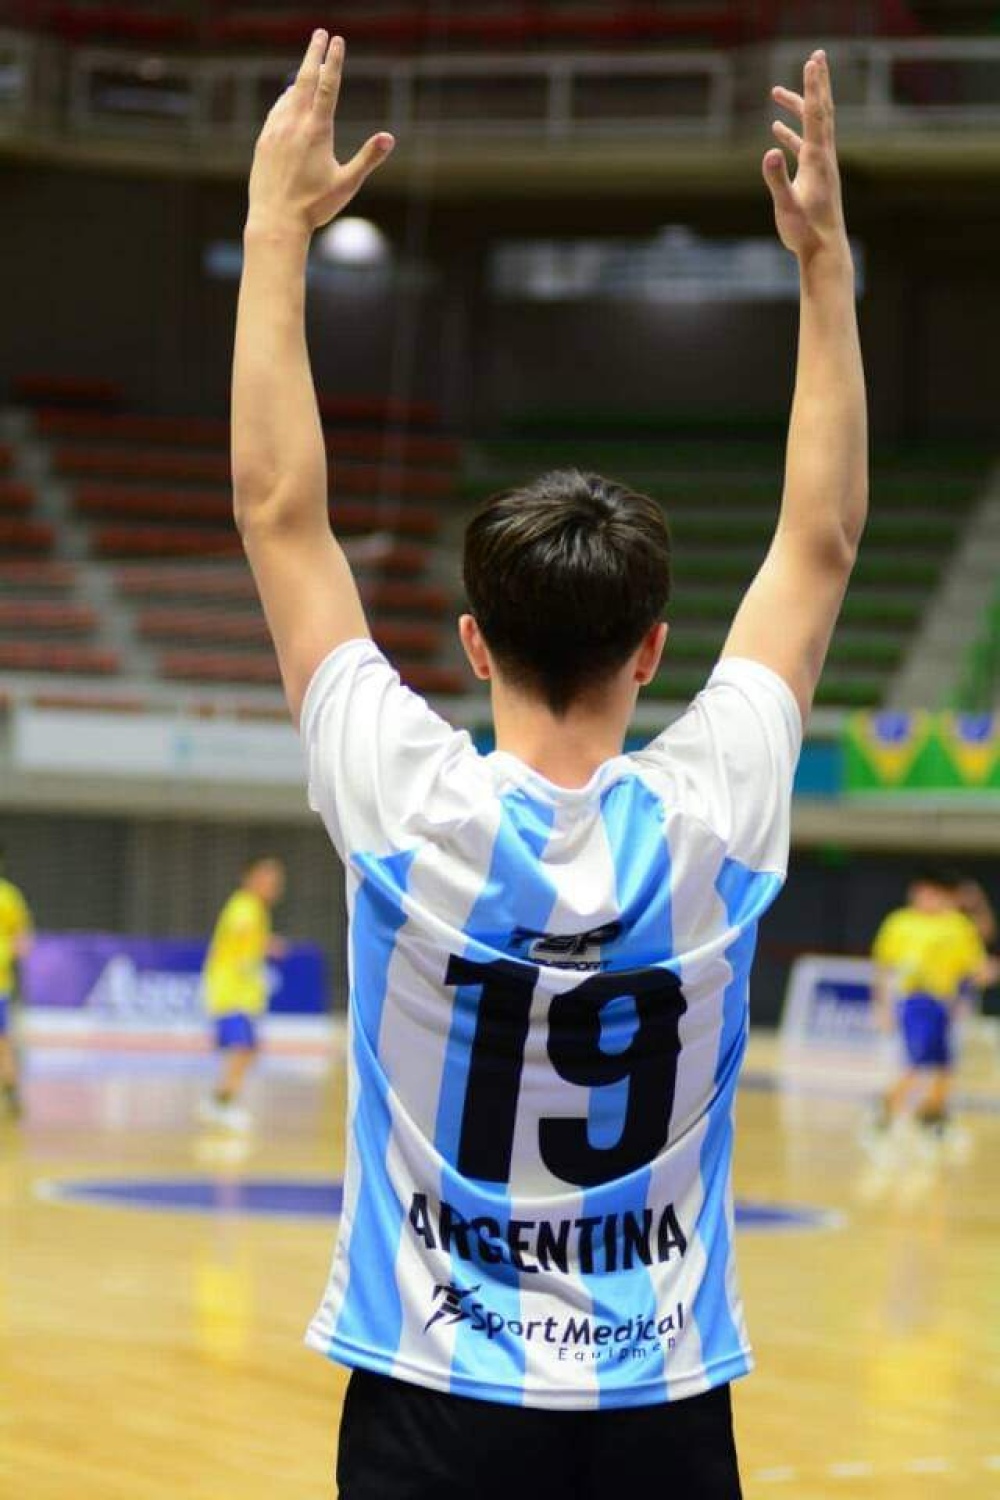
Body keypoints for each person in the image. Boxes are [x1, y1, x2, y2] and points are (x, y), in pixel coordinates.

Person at [232, 33, 865, 1499]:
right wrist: (824, 267)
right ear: (654, 650)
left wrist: (275, 234)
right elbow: (821, 544)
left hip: (431, 1409)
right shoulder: (717, 814)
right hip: (657, 1413)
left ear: (468, 640)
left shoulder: (409, 804)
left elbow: (279, 513)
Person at [869, 869, 997, 1143]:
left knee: (944, 1064)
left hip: (944, 1004)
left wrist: (977, 905)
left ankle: (932, 1114)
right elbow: (882, 967)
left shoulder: (956, 924)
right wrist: (881, 1006)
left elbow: (977, 957)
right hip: (915, 1001)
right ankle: (886, 1107)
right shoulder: (899, 922)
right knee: (918, 1059)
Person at [198, 855, 286, 1131]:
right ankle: (222, 1105)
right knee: (243, 1048)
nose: (273, 885)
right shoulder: (245, 907)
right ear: (251, 878)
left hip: (241, 995)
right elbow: (238, 939)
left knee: (247, 1050)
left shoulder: (254, 909)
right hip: (231, 993)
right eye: (267, 878)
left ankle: (219, 1101)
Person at [0, 846, 33, 1121]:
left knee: (3, 1041)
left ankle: (11, 1091)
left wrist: (6, 953)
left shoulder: (8, 897)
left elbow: (23, 941)